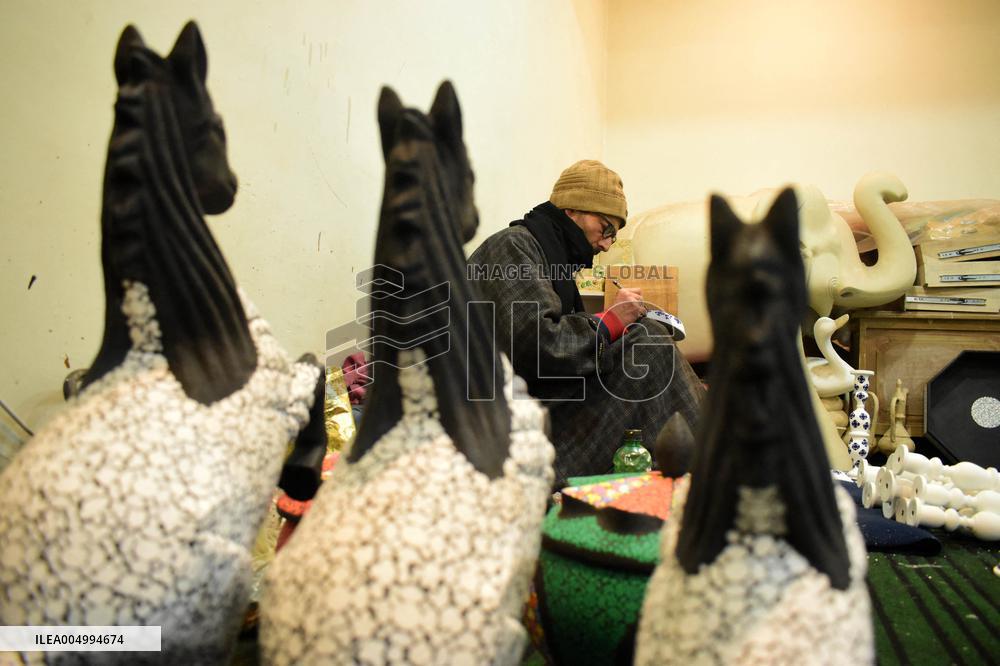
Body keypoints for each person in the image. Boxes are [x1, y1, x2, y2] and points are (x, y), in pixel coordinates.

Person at [468, 159, 704, 485]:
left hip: (537, 400)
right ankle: (715, 463)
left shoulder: (549, 257)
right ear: (572, 210)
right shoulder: (512, 247)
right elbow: (538, 346)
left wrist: (611, 327)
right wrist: (608, 323)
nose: (606, 244)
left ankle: (702, 455)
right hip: (502, 418)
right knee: (647, 343)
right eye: (606, 228)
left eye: (613, 236)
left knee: (647, 341)